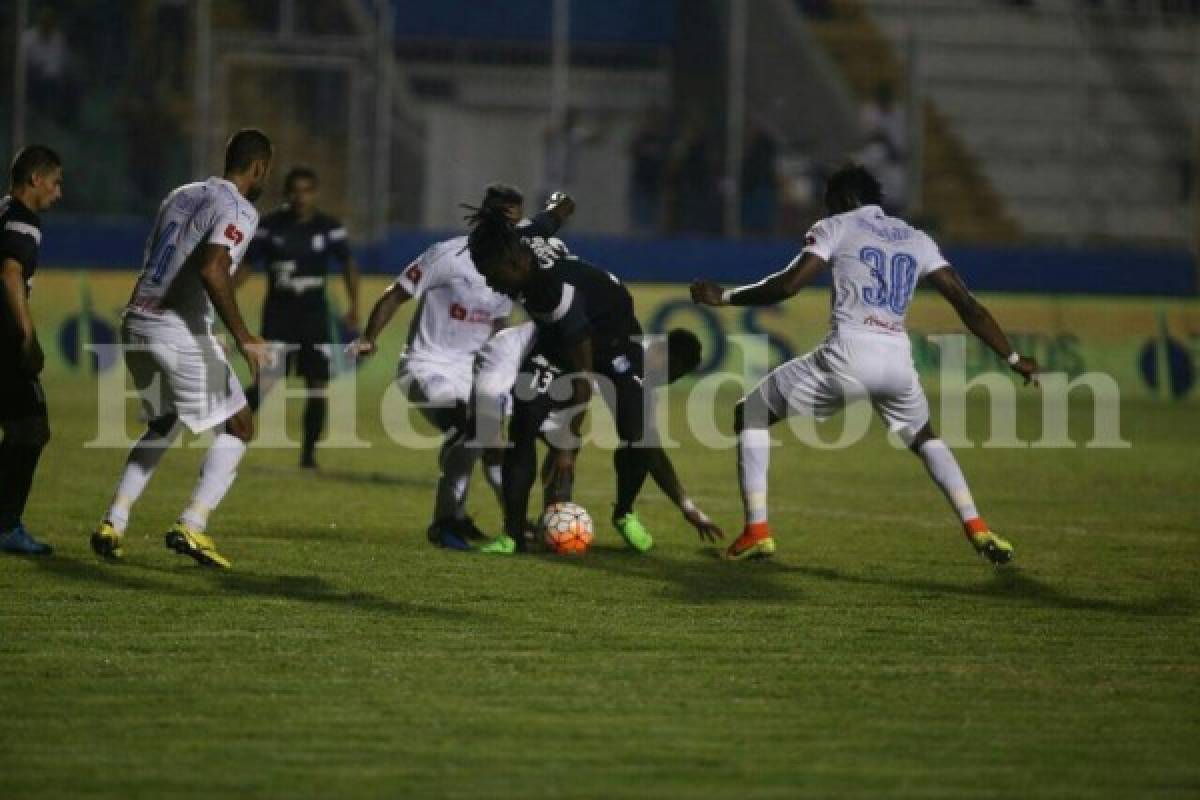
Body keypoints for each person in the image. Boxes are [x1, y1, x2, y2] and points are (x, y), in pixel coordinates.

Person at [690, 164, 1039, 563]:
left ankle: (757, 531)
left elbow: (788, 284)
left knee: (749, 413)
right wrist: (1012, 357)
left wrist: (727, 297)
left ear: (841, 200)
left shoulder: (836, 227)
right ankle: (978, 527)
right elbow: (967, 306)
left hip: (848, 355)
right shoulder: (916, 238)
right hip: (896, 361)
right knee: (925, 437)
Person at [464, 206, 721, 554]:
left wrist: (566, 447)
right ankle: (512, 535)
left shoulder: (552, 293)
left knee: (639, 438)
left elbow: (581, 379)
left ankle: (624, 512)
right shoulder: (521, 242)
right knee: (523, 423)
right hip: (559, 341)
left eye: (494, 277)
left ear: (515, 265)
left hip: (612, 343)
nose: (491, 284)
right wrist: (561, 204)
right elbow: (552, 215)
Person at [346, 185, 575, 549]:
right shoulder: (447, 256)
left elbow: (498, 328)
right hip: (427, 365)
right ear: (485, 215)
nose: (509, 228)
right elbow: (396, 294)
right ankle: (457, 523)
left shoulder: (512, 264)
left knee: (493, 441)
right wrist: (369, 338)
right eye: (503, 219)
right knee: (470, 428)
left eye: (514, 221)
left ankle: (493, 523)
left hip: (475, 371)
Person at [90, 129, 273, 569]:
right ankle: (193, 524)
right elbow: (213, 269)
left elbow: (173, 259)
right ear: (260, 168)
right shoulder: (239, 210)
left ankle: (113, 521)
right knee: (240, 427)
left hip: (137, 321)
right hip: (174, 329)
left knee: (165, 421)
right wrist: (244, 335)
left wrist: (206, 331)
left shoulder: (181, 194)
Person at [473, 321, 721, 552]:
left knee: (576, 445)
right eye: (669, 375)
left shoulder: (639, 378)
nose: (665, 383)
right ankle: (504, 524)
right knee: (493, 440)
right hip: (514, 354)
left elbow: (648, 446)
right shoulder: (622, 353)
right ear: (659, 353)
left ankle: (562, 520)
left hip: (558, 378)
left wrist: (686, 505)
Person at [239, 166, 360, 470]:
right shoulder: (269, 227)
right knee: (265, 381)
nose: (301, 197)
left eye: (307, 190)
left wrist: (354, 304)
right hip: (279, 317)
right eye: (295, 190)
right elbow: (247, 266)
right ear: (286, 193)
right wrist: (223, 294)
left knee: (318, 386)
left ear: (314, 193)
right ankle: (229, 436)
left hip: (315, 319)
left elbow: (348, 264)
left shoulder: (328, 228)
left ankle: (308, 456)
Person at [0, 146, 63, 555]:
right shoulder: (23, 222)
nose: (59, 192)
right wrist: (28, 335)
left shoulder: (3, 208)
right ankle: (6, 526)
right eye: (56, 182)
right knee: (32, 429)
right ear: (36, 180)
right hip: (3, 342)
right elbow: (9, 271)